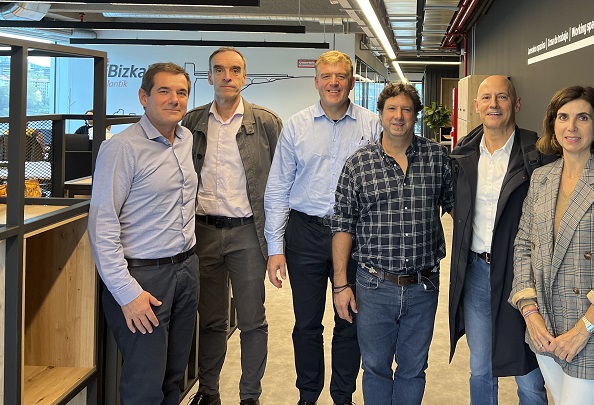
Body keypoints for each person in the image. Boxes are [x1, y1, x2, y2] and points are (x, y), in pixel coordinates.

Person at [509, 85, 594, 405]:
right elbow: (523, 247)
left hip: (593, 332)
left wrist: (583, 329)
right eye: (563, 117)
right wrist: (530, 313)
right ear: (552, 126)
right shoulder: (542, 178)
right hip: (546, 330)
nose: (571, 127)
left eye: (582, 118)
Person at [263, 50, 381, 405]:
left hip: (356, 235)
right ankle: (308, 394)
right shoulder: (296, 125)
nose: (333, 82)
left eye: (341, 76)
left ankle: (342, 396)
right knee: (307, 324)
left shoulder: (371, 124)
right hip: (306, 234)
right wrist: (275, 248)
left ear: (351, 81)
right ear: (316, 81)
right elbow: (278, 188)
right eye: (326, 76)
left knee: (350, 321)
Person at [331, 82, 454, 405]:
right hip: (374, 284)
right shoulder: (359, 164)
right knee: (374, 367)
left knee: (414, 368)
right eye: (391, 109)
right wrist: (341, 285)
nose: (398, 116)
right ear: (381, 114)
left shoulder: (436, 159)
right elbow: (343, 225)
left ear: (416, 115)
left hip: (423, 285)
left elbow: (459, 209)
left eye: (406, 109)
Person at [88, 62, 198, 405]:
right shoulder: (122, 148)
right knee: (144, 383)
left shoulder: (185, 138)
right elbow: (102, 225)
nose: (174, 99)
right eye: (164, 91)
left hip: (185, 269)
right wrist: (126, 293)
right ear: (143, 96)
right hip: (144, 277)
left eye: (181, 92)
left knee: (173, 377)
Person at [182, 47, 282, 405]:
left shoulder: (266, 122)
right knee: (210, 320)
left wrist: (276, 245)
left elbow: (282, 183)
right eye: (219, 70)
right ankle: (209, 393)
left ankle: (249, 396)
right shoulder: (191, 123)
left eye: (235, 70)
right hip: (203, 232)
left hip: (248, 235)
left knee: (253, 321)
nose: (227, 76)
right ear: (209, 76)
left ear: (244, 77)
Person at [449, 75, 553, 405]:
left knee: (529, 373)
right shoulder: (461, 154)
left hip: (525, 276)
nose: (494, 104)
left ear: (517, 104)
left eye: (502, 97)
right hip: (477, 273)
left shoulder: (539, 155)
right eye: (487, 98)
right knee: (481, 368)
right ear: (477, 105)